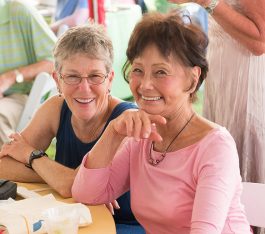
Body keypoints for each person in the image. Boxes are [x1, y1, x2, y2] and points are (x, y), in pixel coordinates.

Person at [72, 11, 251, 233]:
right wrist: (113, 132)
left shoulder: (215, 147)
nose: (145, 84)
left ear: (193, 79)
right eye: (138, 70)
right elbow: (86, 194)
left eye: (161, 72)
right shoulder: (140, 138)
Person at [0, 24, 144, 233]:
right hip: (71, 217)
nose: (84, 88)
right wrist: (59, 177)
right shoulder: (55, 108)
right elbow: (4, 165)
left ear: (110, 79)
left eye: (95, 76)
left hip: (124, 224)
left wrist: (31, 156)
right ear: (57, 80)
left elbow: (71, 186)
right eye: (73, 77)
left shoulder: (125, 121)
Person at [168, 0, 265, 185]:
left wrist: (208, 2)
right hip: (221, 72)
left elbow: (260, 42)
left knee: (245, 165)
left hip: (246, 80)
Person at [0, 0, 56, 148]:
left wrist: (11, 76)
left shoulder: (20, 12)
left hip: (20, 95)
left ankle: (10, 167)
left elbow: (57, 61)